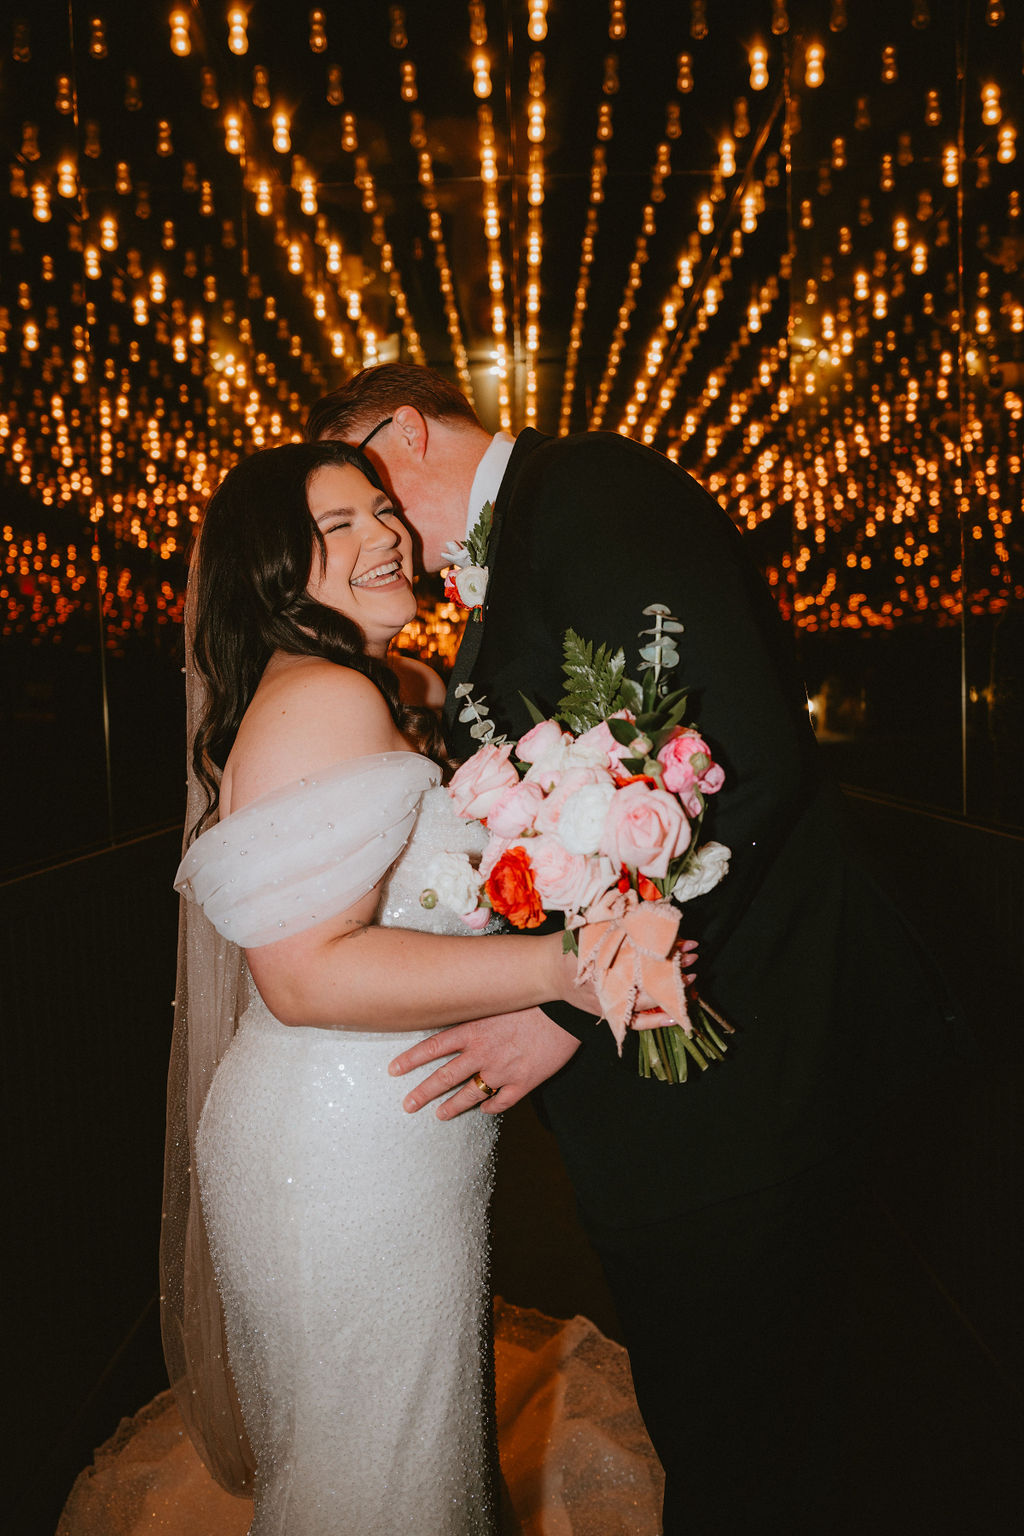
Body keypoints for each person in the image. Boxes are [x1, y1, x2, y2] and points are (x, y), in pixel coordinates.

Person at [305, 364, 966, 1535]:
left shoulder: (593, 490)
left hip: (743, 1073)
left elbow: (732, 756)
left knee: (754, 1445)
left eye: (369, 493)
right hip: (680, 1100)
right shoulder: (517, 556)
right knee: (732, 1421)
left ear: (405, 431)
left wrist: (564, 1004)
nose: (382, 534)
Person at [160, 439, 599, 1536]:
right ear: (273, 572)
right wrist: (570, 966)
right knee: (376, 1476)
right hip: (340, 1145)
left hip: (386, 1120)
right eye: (339, 525)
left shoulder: (393, 690)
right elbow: (307, 975)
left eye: (382, 510)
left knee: (406, 1453)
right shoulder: (322, 699)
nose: (387, 535)